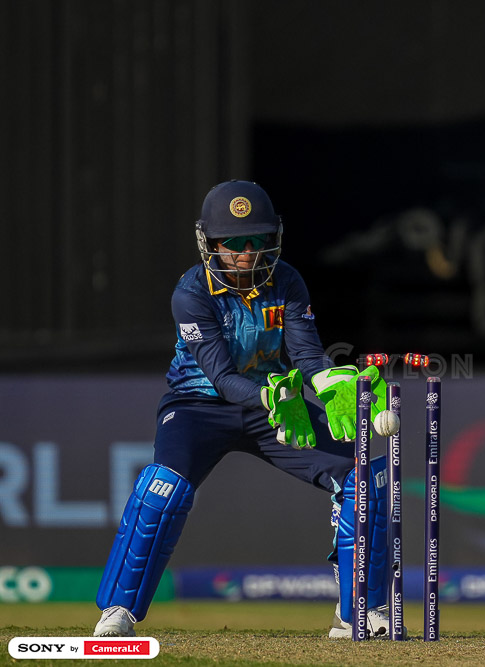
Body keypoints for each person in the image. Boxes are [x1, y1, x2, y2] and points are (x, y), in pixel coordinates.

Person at [92, 180, 401, 639]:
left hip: (278, 406)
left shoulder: (288, 281)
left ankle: (360, 612)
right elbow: (220, 377)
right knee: (164, 489)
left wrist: (331, 383)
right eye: (233, 243)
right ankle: (118, 611)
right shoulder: (191, 294)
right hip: (198, 404)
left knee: (363, 477)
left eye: (256, 240)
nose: (247, 252)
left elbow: (309, 357)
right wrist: (271, 396)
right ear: (211, 244)